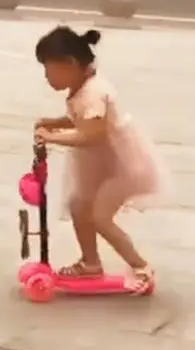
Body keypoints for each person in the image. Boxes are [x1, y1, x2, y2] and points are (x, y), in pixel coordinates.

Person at [33, 25, 165, 288]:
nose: (47, 78)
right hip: (102, 162)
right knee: (79, 207)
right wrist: (54, 123)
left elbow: (91, 134)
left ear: (70, 64)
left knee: (100, 218)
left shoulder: (94, 92)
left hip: (121, 165)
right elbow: (79, 119)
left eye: (50, 70)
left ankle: (141, 267)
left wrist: (51, 137)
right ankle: (90, 263)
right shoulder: (81, 86)